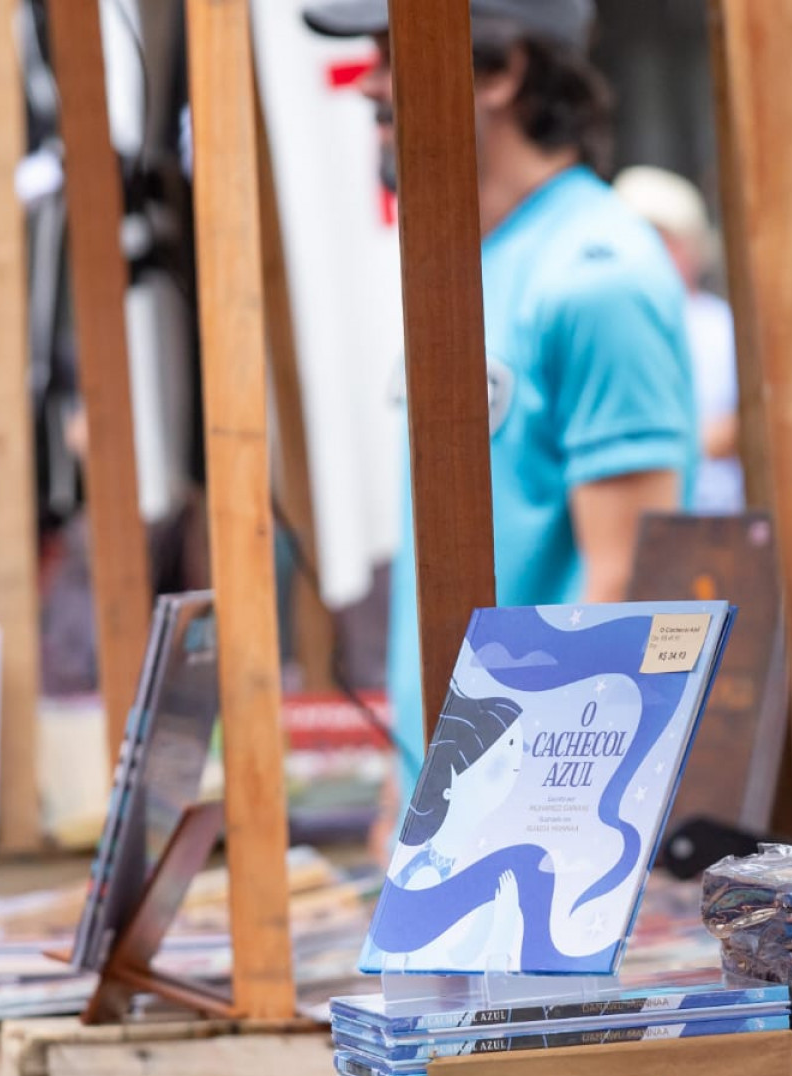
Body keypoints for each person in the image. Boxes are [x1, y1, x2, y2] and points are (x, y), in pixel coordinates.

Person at [299, 0, 698, 850]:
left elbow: (624, 590)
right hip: (455, 824)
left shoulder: (598, 276)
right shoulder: (479, 263)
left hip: (526, 846)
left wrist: (499, 833)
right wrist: (403, 790)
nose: (368, 82)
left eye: (388, 50)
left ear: (500, 71)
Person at [612, 165, 742, 513]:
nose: (649, 252)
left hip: (720, 518)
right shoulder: (613, 323)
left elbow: (750, 422)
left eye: (663, 239)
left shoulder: (723, 327)